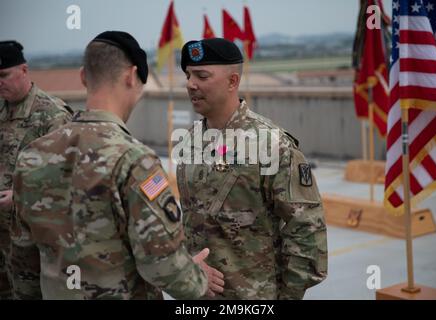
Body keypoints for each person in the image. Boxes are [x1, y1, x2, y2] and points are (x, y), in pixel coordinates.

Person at [11, 31, 224, 299]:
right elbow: (162, 264)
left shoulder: (32, 156)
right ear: (132, 77)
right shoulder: (136, 161)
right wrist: (198, 279)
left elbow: (23, 261)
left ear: (83, 77)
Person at [176, 38, 327, 299]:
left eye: (202, 75)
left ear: (232, 81)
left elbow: (306, 230)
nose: (191, 84)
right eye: (189, 75)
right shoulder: (189, 141)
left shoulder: (272, 144)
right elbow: (188, 221)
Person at [0, 40, 73, 299]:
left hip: (32, 243)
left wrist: (20, 197)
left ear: (24, 70)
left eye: (3, 75)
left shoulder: (53, 115)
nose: (0, 83)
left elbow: (69, 180)